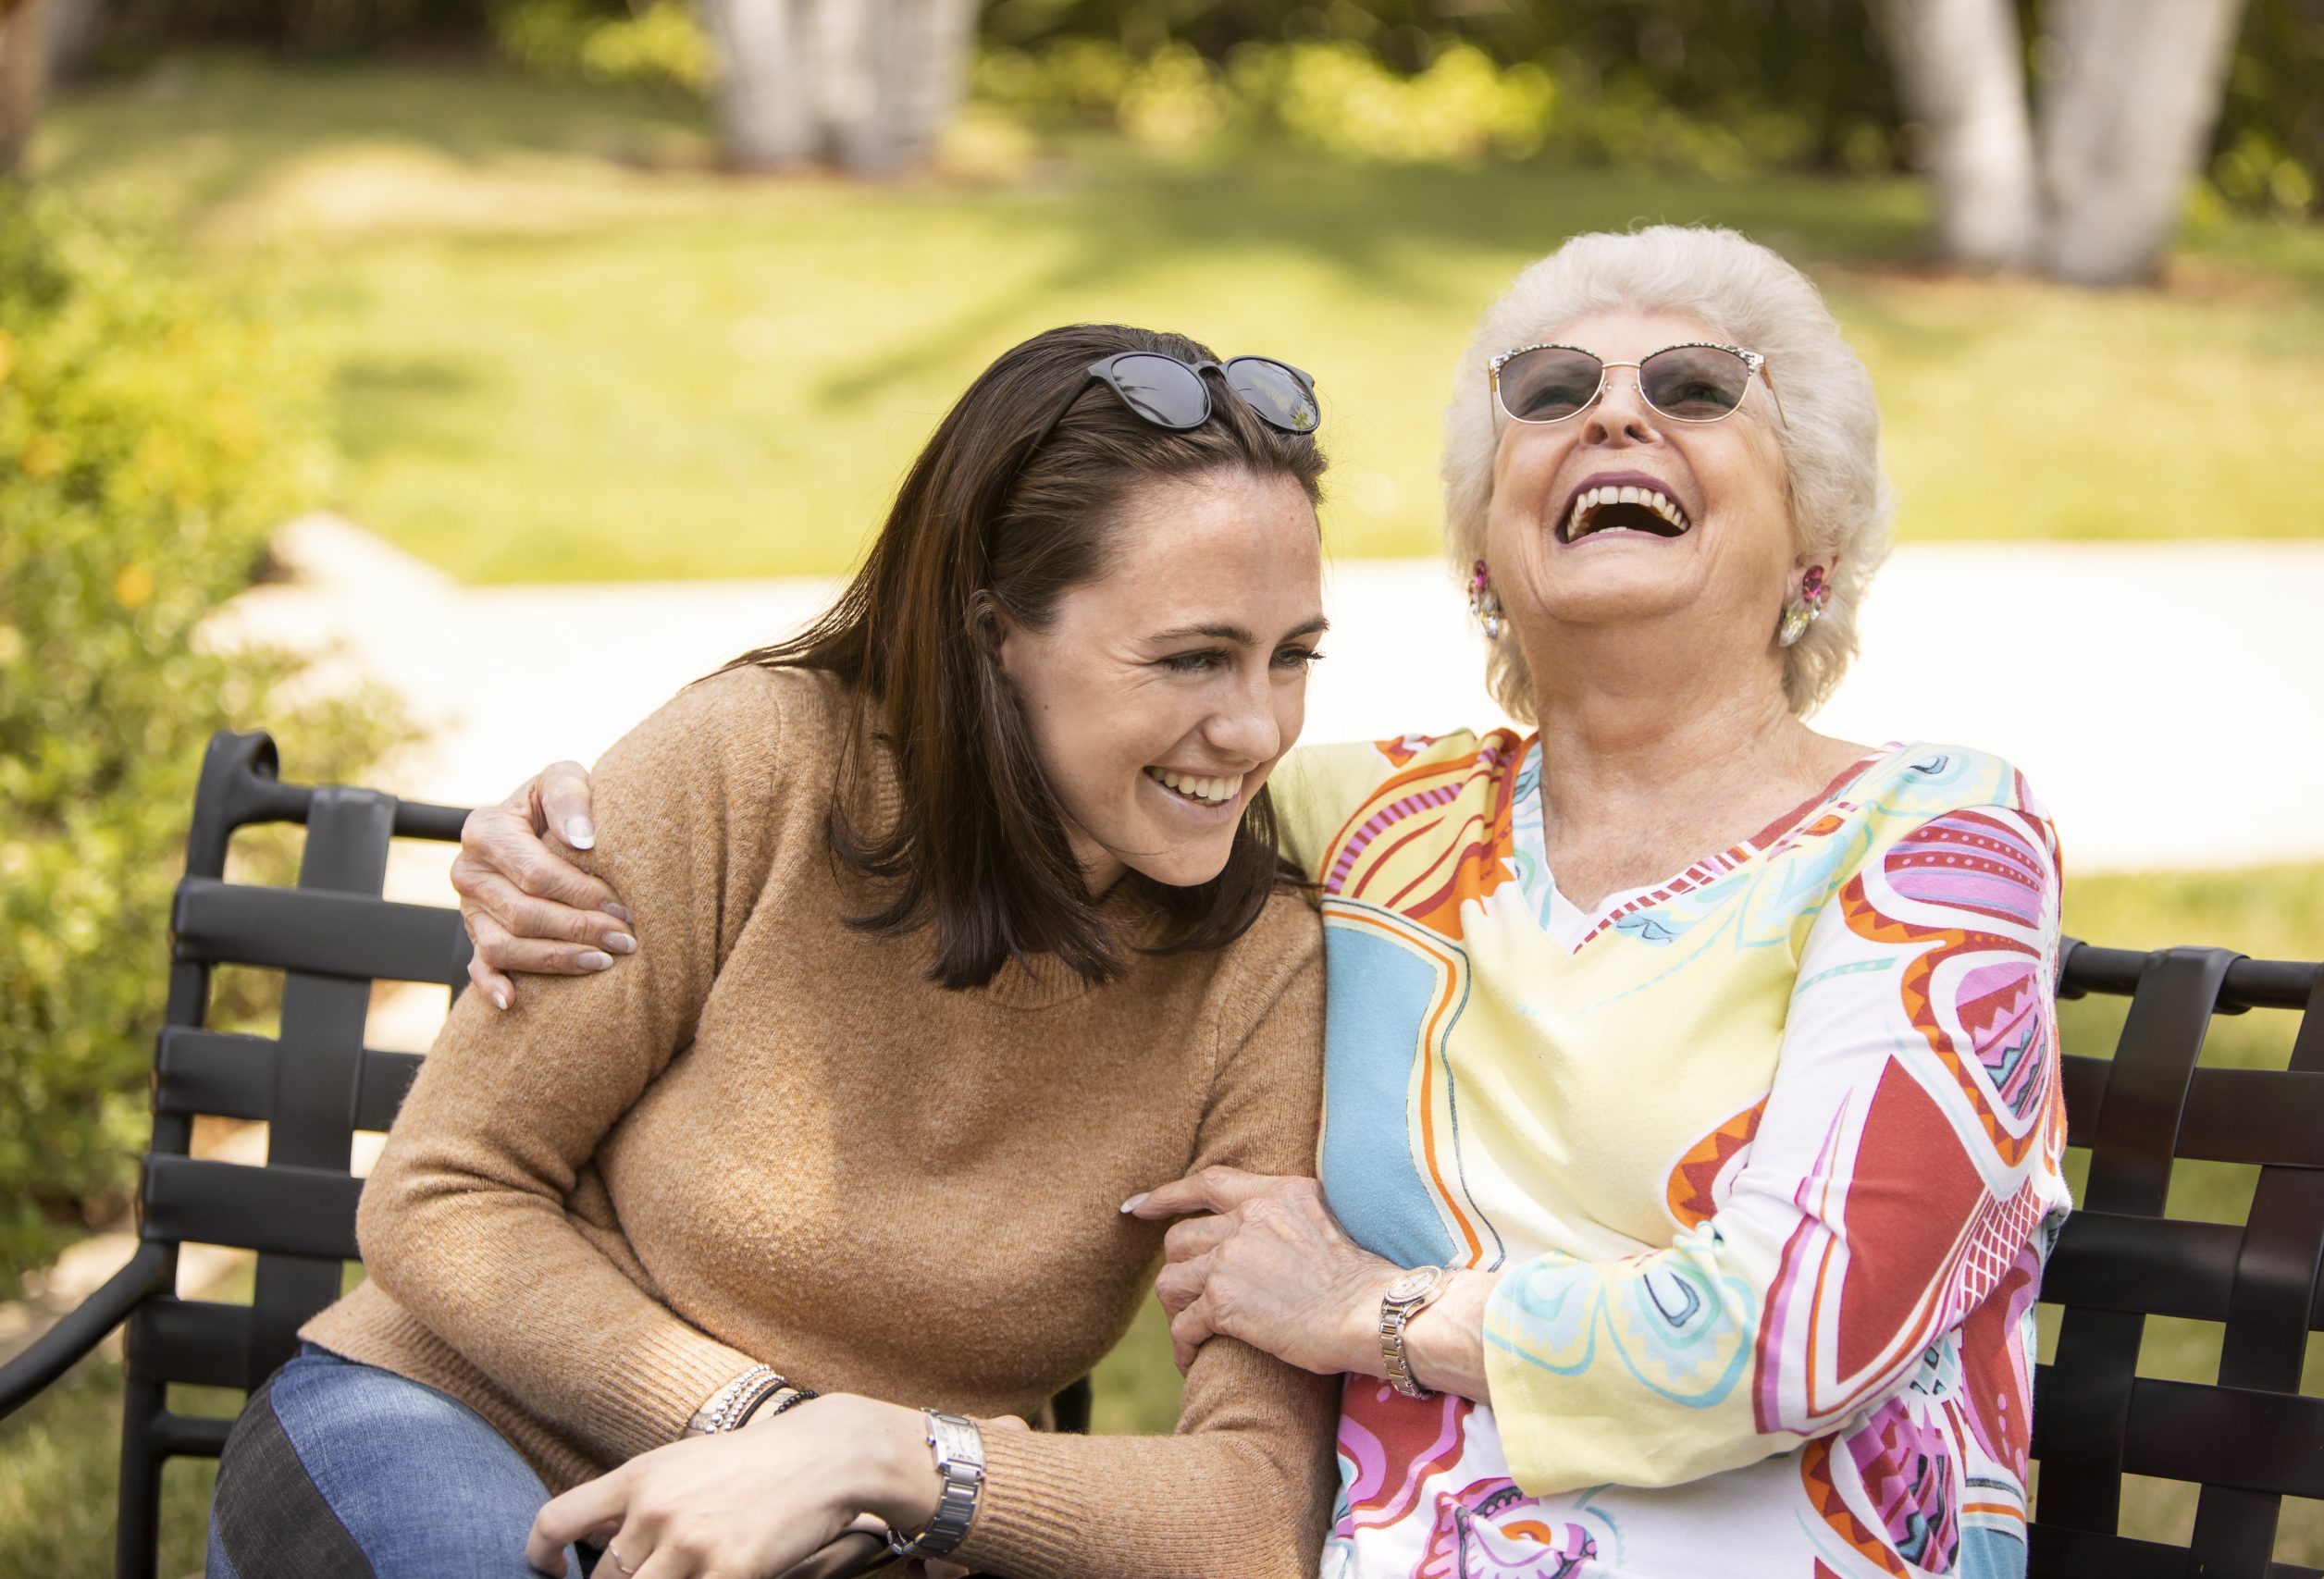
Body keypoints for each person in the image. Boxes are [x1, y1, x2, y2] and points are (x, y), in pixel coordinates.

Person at [465, 226, 2071, 1579]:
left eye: (1699, 389)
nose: (1615, 417)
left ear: (1821, 539)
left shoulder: (1940, 846)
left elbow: (1790, 1336)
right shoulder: (1357, 814)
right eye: (1554, 393)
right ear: (1482, 557)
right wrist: (558, 824)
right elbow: (1016, 728)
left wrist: (1368, 1312)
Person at [204, 324, 1346, 1579]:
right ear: (991, 634)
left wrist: (887, 1470)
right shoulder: (760, 764)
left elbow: (1256, 1508)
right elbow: (444, 1193)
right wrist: (766, 1432)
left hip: (848, 1544)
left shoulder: (1264, 961)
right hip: (457, 1428)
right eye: (1191, 656)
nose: (1254, 728)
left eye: (1292, 656)